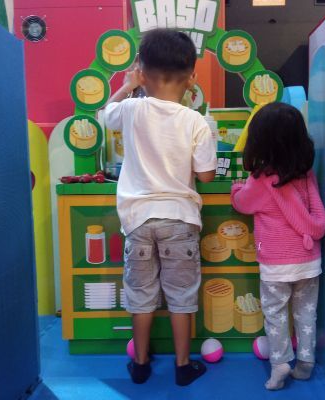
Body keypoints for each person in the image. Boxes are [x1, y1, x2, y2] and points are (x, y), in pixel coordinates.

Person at [103, 29, 217, 386]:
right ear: (192, 77)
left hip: (137, 220)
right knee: (181, 295)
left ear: (142, 71)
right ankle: (183, 366)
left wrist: (127, 85)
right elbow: (207, 176)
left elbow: (105, 114)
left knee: (141, 295)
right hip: (180, 219)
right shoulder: (195, 121)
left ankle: (139, 364)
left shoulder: (132, 109)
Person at [231, 102, 325, 390]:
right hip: (308, 260)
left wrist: (236, 188)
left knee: (275, 315)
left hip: (275, 264)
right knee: (306, 314)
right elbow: (319, 220)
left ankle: (280, 363)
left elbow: (242, 203)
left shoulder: (260, 180)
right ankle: (306, 361)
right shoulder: (306, 175)